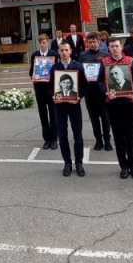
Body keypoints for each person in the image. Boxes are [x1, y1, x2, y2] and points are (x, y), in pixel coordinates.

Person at [100, 38, 133, 179]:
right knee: (118, 137)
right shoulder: (104, 62)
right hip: (112, 104)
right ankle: (123, 166)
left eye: (117, 46)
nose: (115, 49)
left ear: (121, 47)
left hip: (128, 103)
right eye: (112, 46)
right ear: (108, 48)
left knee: (129, 136)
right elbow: (100, 81)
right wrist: (106, 91)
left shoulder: (129, 61)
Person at [52, 41, 87, 176]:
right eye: (62, 50)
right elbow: (50, 86)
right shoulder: (55, 68)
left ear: (70, 51)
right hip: (60, 106)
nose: (64, 53)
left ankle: (79, 163)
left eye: (66, 50)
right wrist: (53, 96)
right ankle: (67, 163)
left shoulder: (78, 66)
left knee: (77, 135)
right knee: (62, 135)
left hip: (74, 106)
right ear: (59, 52)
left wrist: (79, 97)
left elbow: (84, 86)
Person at [78, 32, 112, 151]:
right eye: (90, 42)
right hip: (89, 91)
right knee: (94, 118)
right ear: (87, 43)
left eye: (94, 42)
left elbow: (109, 72)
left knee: (105, 117)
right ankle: (98, 140)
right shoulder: (83, 55)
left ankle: (107, 140)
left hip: (102, 92)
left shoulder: (105, 54)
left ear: (99, 42)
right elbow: (80, 72)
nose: (92, 44)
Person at [29, 34, 58, 150]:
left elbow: (57, 70)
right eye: (40, 42)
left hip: (51, 88)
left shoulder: (53, 54)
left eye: (44, 42)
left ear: (48, 42)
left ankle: (54, 139)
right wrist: (33, 76)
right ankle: (47, 139)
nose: (42, 44)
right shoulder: (35, 55)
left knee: (53, 114)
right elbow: (32, 71)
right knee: (43, 115)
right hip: (39, 89)